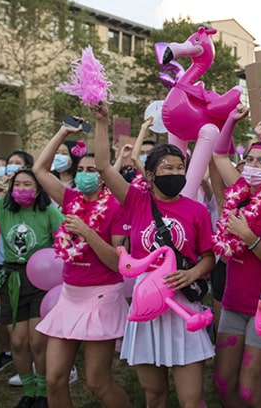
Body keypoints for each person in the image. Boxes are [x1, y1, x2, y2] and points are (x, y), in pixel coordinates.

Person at [92, 101, 215, 408]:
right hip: (147, 310)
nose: (175, 173)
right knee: (154, 395)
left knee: (191, 399)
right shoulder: (135, 200)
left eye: (180, 168)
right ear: (149, 176)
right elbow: (105, 167)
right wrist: (102, 122)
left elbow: (209, 257)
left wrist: (192, 273)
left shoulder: (197, 210)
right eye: (167, 168)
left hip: (183, 306)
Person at [33, 119, 132, 408]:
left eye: (92, 170)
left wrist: (87, 233)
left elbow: (117, 263)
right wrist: (63, 132)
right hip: (70, 295)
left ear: (102, 177)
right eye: (81, 170)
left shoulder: (116, 207)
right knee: (53, 378)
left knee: (97, 382)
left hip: (102, 296)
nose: (86, 174)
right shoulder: (70, 198)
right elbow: (39, 169)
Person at [0, 165, 63, 408]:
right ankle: (28, 391)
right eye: (17, 184)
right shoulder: (3, 208)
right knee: (17, 341)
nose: (21, 189)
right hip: (12, 278)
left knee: (38, 341)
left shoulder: (49, 211)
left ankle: (41, 391)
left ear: (38, 189)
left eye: (27, 184)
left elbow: (63, 240)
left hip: (41, 280)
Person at [210, 106, 261, 407]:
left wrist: (249, 238)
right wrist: (231, 121)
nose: (253, 165)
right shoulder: (238, 191)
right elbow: (219, 155)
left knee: (250, 390)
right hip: (232, 304)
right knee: (223, 384)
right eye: (249, 159)